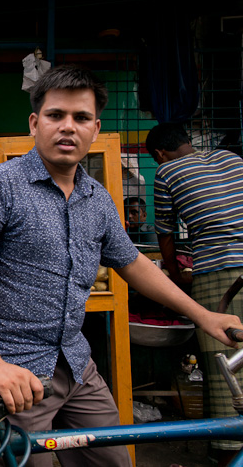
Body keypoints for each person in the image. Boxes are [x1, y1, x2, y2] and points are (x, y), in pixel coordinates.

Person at [0, 65, 243, 467]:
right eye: (56, 116)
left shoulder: (97, 198)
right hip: (15, 373)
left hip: (75, 362)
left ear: (95, 128)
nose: (68, 127)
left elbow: (133, 263)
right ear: (35, 123)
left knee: (113, 461)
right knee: (25, 462)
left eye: (81, 118)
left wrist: (204, 315)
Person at [147, 121, 243, 465]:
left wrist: (175, 274)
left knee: (222, 360)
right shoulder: (231, 159)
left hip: (216, 270)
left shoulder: (167, 171)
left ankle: (229, 450)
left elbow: (166, 233)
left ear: (159, 153)